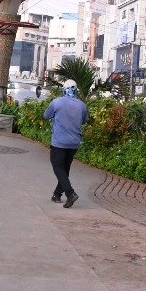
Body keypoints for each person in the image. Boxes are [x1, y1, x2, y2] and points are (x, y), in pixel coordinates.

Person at [43, 79, 89, 208]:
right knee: (65, 169)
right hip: (74, 143)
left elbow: (46, 116)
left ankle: (70, 193)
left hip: (59, 142)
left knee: (58, 168)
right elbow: (84, 120)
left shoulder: (56, 102)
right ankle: (57, 195)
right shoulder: (82, 105)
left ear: (64, 89)